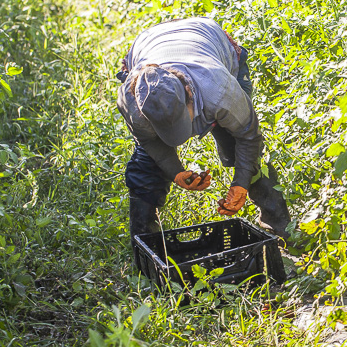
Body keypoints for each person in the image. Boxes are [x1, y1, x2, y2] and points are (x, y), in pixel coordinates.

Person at [115, 17, 291, 245]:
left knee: (241, 150)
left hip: (207, 39)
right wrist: (175, 171)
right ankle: (145, 247)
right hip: (148, 43)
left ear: (189, 93)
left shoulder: (219, 91)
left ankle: (281, 233)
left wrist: (241, 184)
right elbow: (150, 143)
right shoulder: (131, 102)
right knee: (146, 166)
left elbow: (249, 137)